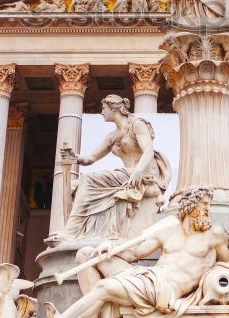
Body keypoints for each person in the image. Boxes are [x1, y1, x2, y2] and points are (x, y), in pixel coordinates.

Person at [16, 187, 229, 318]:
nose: (207, 210)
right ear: (190, 206)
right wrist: (108, 246)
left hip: (165, 290)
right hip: (149, 277)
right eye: (204, 205)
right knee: (87, 255)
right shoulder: (168, 230)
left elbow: (226, 264)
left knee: (103, 288)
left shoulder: (215, 235)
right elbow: (133, 253)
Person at [50, 94, 171, 242]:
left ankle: (71, 232)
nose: (102, 112)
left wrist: (138, 172)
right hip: (127, 174)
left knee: (87, 180)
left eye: (104, 108)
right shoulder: (112, 136)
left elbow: (148, 150)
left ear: (114, 108)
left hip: (144, 175)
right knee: (76, 185)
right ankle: (80, 232)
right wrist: (74, 156)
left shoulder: (137, 124)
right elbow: (91, 158)